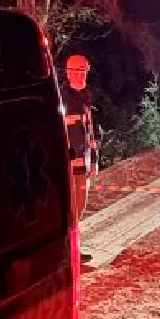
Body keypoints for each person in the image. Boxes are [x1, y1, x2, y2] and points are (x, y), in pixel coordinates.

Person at [60, 54, 98, 263]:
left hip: (83, 162)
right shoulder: (62, 97)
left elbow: (89, 130)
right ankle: (68, 254)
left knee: (79, 208)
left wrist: (94, 159)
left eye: (84, 69)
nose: (82, 74)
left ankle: (73, 250)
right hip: (68, 163)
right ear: (69, 72)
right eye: (78, 70)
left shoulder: (85, 95)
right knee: (70, 210)